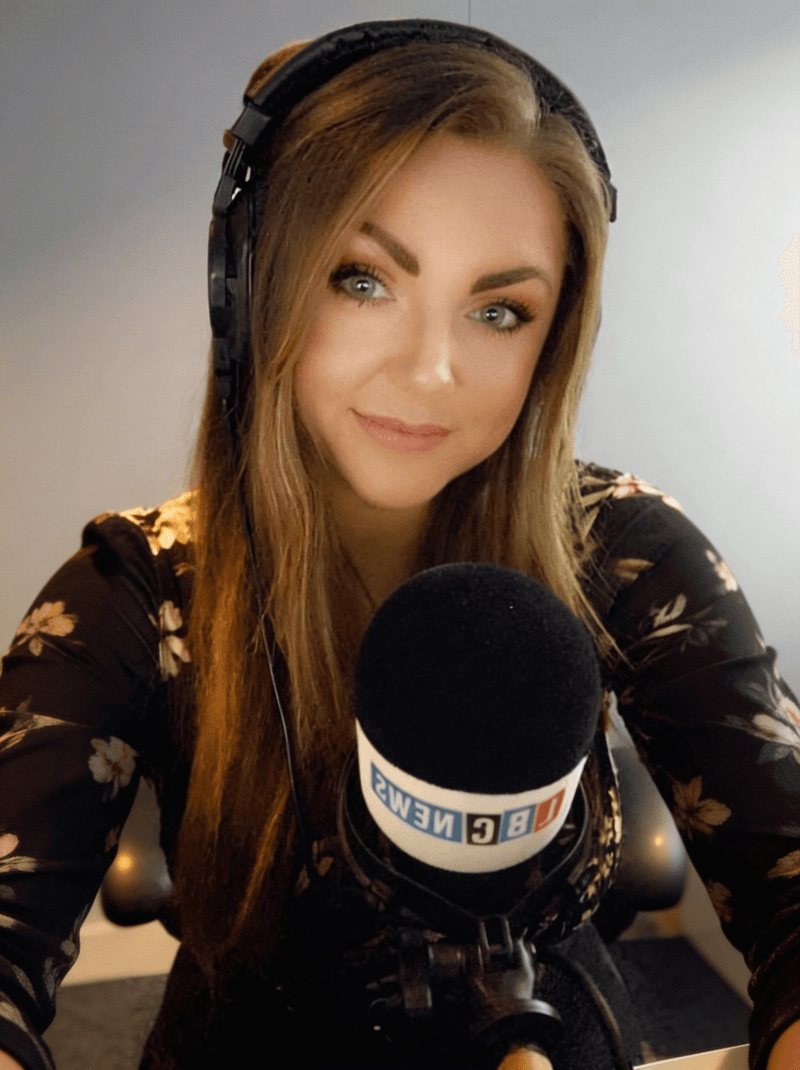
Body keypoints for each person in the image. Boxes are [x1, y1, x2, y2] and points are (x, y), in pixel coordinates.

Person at [0, 19, 798, 1070]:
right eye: (362, 279)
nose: (432, 371)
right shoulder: (132, 591)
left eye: (499, 309)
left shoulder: (627, 553)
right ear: (250, 287)